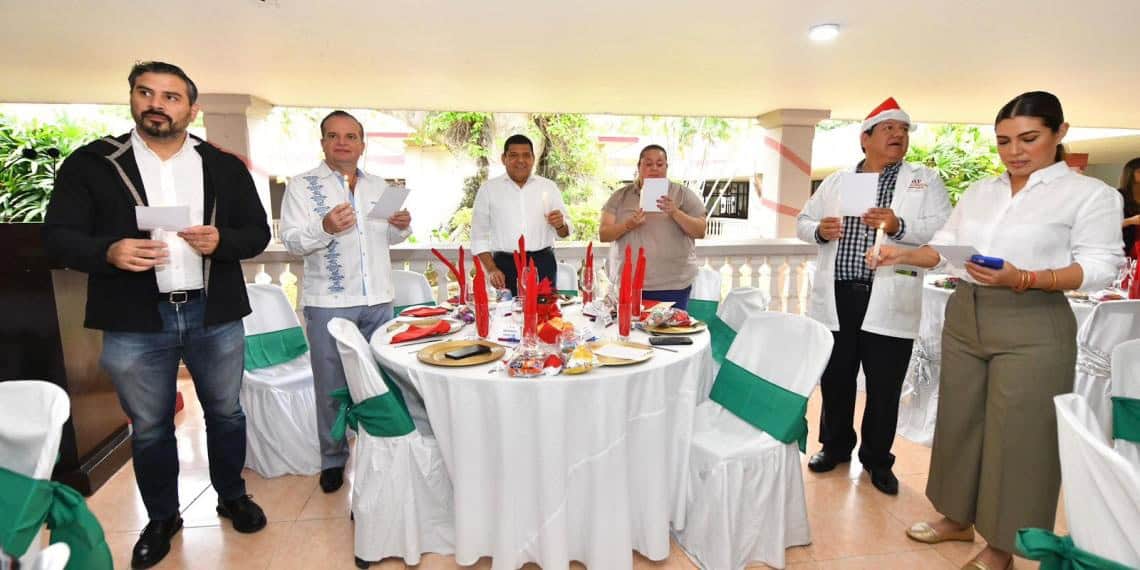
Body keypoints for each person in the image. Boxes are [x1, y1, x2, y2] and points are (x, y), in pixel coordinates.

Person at [871, 91, 1124, 570]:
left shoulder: (1090, 195)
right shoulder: (981, 192)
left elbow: (1100, 267)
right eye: (1004, 141)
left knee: (1020, 435)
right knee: (960, 420)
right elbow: (948, 247)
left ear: (1060, 133)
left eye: (1029, 138)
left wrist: (1025, 277)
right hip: (967, 312)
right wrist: (901, 254)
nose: (1015, 151)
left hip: (1035, 317)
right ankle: (957, 517)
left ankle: (1003, 545)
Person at [42, 61, 271, 569]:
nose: (156, 104)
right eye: (146, 93)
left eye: (171, 97)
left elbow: (256, 233)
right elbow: (57, 237)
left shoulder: (223, 165)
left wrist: (222, 241)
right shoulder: (93, 163)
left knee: (227, 412)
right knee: (148, 426)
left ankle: (232, 495)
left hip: (215, 311)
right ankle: (163, 516)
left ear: (192, 108)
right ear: (132, 99)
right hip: (133, 318)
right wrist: (109, 251)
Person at [797, 97, 952, 495]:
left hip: (888, 295)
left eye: (903, 130)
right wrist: (820, 231)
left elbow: (943, 233)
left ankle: (878, 460)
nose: (899, 135)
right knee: (836, 378)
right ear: (865, 138)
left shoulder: (924, 180)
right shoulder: (837, 181)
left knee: (885, 384)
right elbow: (803, 221)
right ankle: (834, 447)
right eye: (889, 129)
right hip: (838, 295)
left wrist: (899, 224)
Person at [279, 110, 412, 493]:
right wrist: (324, 228)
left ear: (362, 144)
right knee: (332, 385)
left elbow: (389, 239)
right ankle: (334, 458)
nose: (343, 142)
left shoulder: (379, 185)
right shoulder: (302, 186)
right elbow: (291, 241)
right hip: (330, 301)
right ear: (323, 143)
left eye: (351, 136)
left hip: (378, 301)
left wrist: (401, 226)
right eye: (334, 136)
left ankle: (380, 449)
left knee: (381, 380)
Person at [598, 144, 706, 309]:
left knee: (671, 333)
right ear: (639, 167)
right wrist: (629, 224)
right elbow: (604, 234)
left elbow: (700, 231)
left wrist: (675, 212)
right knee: (630, 332)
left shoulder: (682, 194)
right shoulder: (620, 196)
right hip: (629, 283)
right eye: (648, 164)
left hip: (674, 284)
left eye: (660, 164)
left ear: (666, 167)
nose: (654, 168)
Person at [471, 134, 569, 295]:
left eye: (526, 155)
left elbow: (564, 232)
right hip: (505, 266)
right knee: (507, 316)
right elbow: (478, 237)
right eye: (513, 155)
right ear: (504, 159)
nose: (520, 161)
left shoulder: (549, 187)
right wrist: (492, 269)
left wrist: (560, 224)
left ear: (533, 158)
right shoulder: (489, 190)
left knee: (545, 316)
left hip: (543, 263)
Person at [1118, 157, 1140, 258]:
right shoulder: (1118, 195)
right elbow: (1108, 224)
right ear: (1130, 174)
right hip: (1127, 247)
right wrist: (1131, 221)